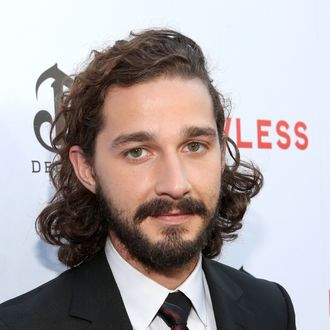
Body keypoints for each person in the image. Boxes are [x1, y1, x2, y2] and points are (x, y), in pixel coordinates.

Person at [0, 28, 296, 330]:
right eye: (138, 152)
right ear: (87, 168)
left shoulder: (270, 308)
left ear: (221, 155)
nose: (175, 184)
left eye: (194, 146)